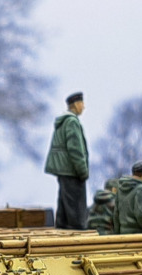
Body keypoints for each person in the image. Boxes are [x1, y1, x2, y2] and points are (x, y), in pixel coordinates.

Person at [44, 92, 89, 229]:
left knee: (64, 209)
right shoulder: (72, 122)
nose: (84, 107)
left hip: (64, 171)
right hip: (72, 171)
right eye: (82, 103)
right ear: (76, 104)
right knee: (76, 211)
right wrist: (83, 171)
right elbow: (75, 150)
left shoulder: (64, 121)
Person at [114, 160, 142, 234]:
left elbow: (116, 215)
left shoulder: (121, 188)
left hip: (123, 235)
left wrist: (118, 235)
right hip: (139, 236)